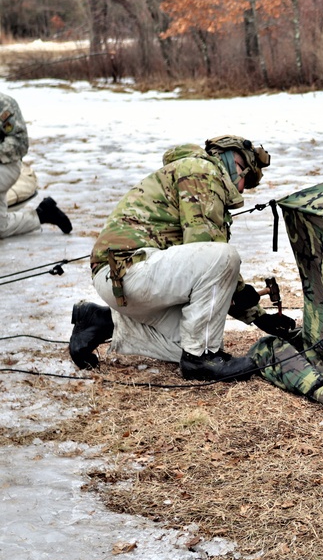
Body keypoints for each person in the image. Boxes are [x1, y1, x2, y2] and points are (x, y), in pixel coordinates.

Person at [69, 135, 299, 382]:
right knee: (224, 257)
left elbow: (203, 269)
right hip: (129, 270)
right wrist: (243, 296)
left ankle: (101, 321)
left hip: (129, 279)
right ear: (233, 159)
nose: (242, 187)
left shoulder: (197, 174)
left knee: (185, 343)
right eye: (244, 176)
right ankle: (202, 360)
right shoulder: (201, 170)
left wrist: (260, 318)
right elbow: (208, 249)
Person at [0, 91, 72, 237]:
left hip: (6, 166)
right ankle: (44, 214)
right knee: (1, 227)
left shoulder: (4, 104)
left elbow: (20, 143)